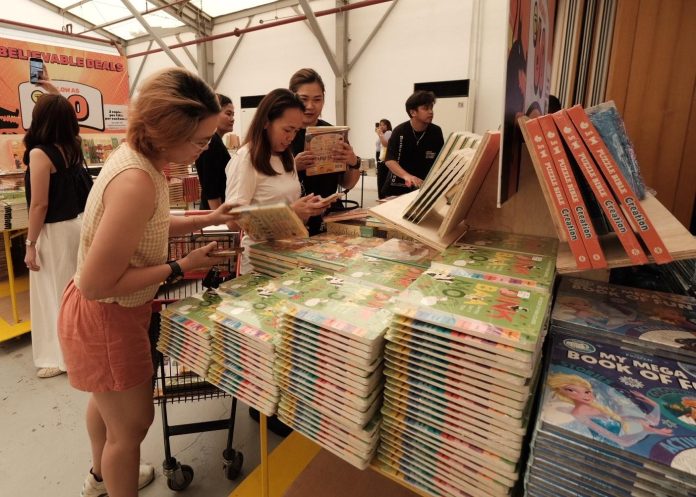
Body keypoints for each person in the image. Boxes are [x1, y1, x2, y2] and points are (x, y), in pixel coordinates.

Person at [57, 68, 238, 497]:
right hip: (106, 314)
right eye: (199, 140)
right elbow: (100, 284)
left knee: (108, 408)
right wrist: (181, 267)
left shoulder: (144, 162)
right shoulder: (137, 179)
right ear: (165, 132)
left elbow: (151, 226)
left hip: (114, 311)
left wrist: (208, 218)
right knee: (133, 426)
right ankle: (112, 477)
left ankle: (101, 476)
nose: (206, 147)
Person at [225, 88, 327, 275]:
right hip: (261, 262)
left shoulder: (285, 156)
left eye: (296, 131)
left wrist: (306, 210)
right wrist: (291, 212)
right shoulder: (246, 158)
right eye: (287, 130)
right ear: (266, 122)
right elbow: (233, 221)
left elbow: (288, 206)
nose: (291, 137)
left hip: (290, 255)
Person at [24, 83, 86, 378]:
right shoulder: (73, 147)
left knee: (52, 296)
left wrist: (29, 243)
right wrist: (48, 86)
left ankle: (59, 357)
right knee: (73, 294)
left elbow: (39, 205)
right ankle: (75, 352)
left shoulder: (40, 154)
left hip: (53, 233)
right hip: (76, 227)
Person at [289, 68, 362, 235]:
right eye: (303, 99)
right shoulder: (283, 134)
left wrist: (353, 162)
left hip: (329, 218)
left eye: (317, 99)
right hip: (296, 220)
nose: (310, 106)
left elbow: (347, 183)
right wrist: (293, 166)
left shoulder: (333, 133)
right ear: (291, 98)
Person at [547, 373, 672, 448]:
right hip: (613, 442)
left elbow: (648, 421)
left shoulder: (596, 406)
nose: (586, 395)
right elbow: (614, 437)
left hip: (625, 432)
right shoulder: (579, 412)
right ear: (561, 391)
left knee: (648, 420)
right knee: (646, 423)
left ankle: (649, 424)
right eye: (572, 390)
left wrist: (652, 404)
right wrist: (646, 431)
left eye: (587, 392)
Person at [382, 90, 444, 198]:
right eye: (425, 108)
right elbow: (389, 160)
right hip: (396, 188)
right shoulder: (399, 131)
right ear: (413, 112)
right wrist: (407, 176)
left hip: (422, 189)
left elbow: (441, 159)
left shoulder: (436, 132)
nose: (430, 112)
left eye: (431, 108)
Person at [195, 93, 235, 209]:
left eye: (233, 114)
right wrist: (218, 218)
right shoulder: (212, 142)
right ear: (213, 113)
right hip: (214, 211)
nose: (232, 119)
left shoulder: (215, 141)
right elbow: (210, 185)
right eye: (228, 114)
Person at [375, 118, 392, 199]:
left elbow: (385, 144)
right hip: (379, 155)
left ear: (387, 126)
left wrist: (380, 134)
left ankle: (383, 197)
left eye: (384, 125)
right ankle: (381, 197)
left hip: (384, 157)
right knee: (380, 177)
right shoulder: (383, 134)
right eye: (380, 125)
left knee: (382, 178)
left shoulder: (388, 132)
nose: (381, 126)